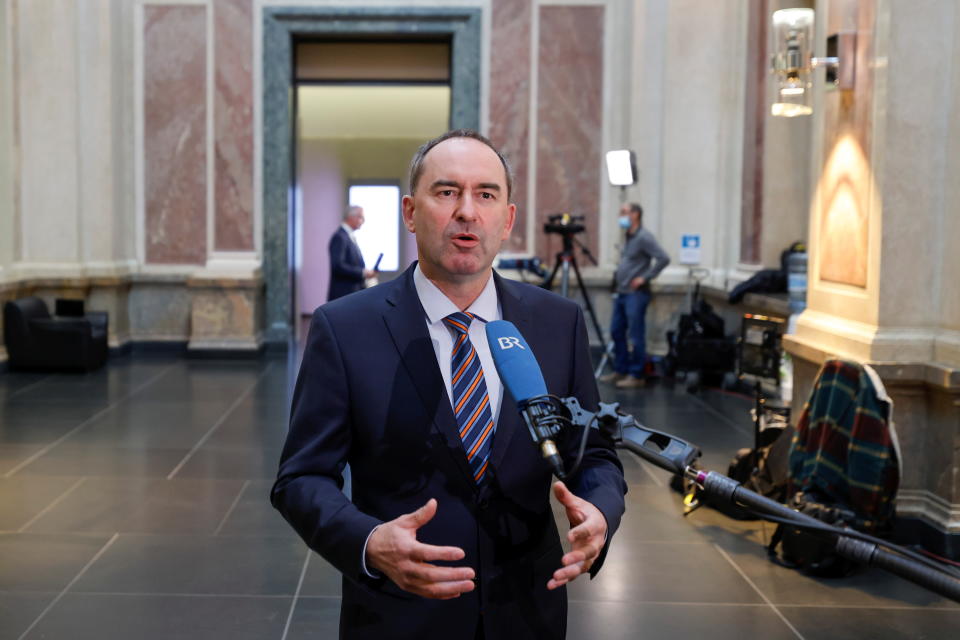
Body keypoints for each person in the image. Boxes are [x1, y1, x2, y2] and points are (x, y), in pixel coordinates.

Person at [272, 129, 626, 639]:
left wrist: (601, 510)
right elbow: (300, 480)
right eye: (446, 192)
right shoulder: (345, 328)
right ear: (411, 213)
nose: (467, 211)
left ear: (507, 220)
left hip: (527, 610)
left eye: (486, 194)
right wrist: (370, 542)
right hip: (401, 613)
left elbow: (594, 456)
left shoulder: (557, 322)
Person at [602, 203, 670, 389]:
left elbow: (664, 258)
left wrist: (644, 278)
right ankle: (621, 369)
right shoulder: (628, 237)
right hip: (622, 293)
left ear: (636, 214)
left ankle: (636, 374)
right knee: (616, 331)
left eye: (624, 212)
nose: (621, 216)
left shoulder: (644, 237)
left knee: (635, 335)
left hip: (635, 294)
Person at [328, 205, 375, 301]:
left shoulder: (348, 236)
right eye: (361, 217)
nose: (363, 221)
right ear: (351, 217)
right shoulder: (340, 237)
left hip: (350, 294)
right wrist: (363, 272)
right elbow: (338, 266)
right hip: (342, 296)